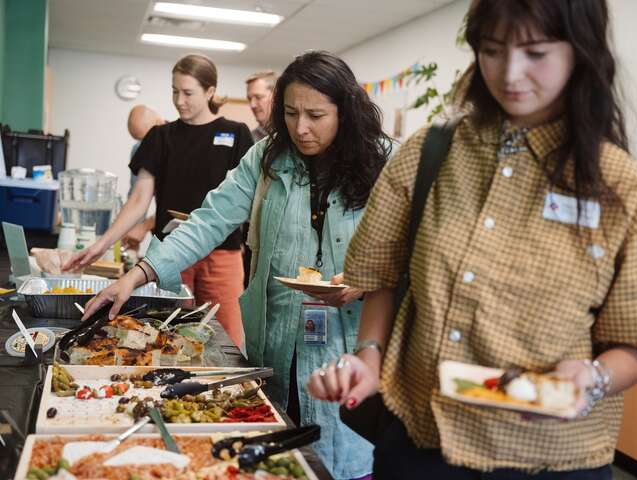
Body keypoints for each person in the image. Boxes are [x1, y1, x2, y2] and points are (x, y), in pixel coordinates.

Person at [308, 1, 637, 478]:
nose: (510, 73)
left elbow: (631, 342)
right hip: (420, 439)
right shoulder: (431, 153)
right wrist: (369, 356)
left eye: (536, 52)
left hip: (550, 456)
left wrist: (593, 377)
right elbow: (380, 278)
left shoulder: (619, 184)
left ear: (581, 53)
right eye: (492, 50)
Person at [81, 50, 393, 480]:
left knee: (345, 462)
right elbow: (207, 221)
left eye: (316, 115)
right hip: (277, 339)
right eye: (290, 113)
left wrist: (366, 280)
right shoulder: (267, 157)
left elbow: (416, 252)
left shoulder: (386, 162)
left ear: (347, 110)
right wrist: (136, 276)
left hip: (350, 349)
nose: (301, 128)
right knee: (273, 461)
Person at [65, 54, 253, 347]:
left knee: (226, 337)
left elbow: (247, 198)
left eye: (188, 92)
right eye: (174, 91)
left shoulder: (236, 134)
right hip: (169, 255)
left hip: (222, 255)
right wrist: (102, 244)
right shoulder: (160, 137)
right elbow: (139, 199)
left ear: (210, 92)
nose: (179, 100)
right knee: (167, 333)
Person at [122, 105, 164, 251]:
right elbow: (136, 196)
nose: (144, 147)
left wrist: (144, 227)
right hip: (159, 231)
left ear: (159, 123)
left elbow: (178, 206)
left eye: (146, 140)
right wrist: (129, 235)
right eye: (139, 140)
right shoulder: (138, 149)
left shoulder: (178, 146)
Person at [246, 70, 277, 141]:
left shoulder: (293, 135)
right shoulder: (249, 139)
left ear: (276, 97)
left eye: (258, 97)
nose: (252, 105)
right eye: (249, 99)